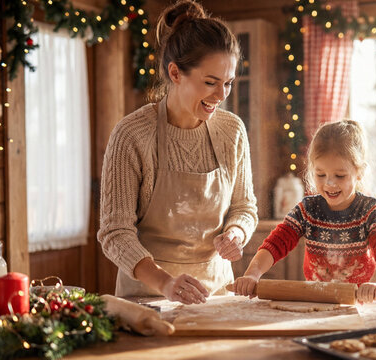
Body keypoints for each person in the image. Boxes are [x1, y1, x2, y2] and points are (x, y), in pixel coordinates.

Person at [97, 0, 257, 304]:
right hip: (148, 298)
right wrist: (165, 283)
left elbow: (244, 206)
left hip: (218, 296)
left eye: (228, 83)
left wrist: (236, 233)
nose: (221, 95)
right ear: (175, 73)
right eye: (210, 82)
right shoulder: (132, 135)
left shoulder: (232, 131)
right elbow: (115, 232)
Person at [234, 120, 376, 303]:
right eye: (321, 175)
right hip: (320, 303)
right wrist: (252, 274)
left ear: (359, 172)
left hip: (365, 305)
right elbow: (275, 243)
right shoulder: (307, 210)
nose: (329, 183)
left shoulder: (371, 210)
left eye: (340, 176)